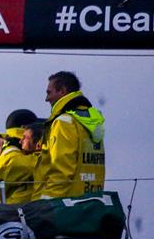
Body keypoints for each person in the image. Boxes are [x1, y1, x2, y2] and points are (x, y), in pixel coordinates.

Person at [32, 71, 105, 199]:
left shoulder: (64, 122)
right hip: (91, 200)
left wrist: (47, 202)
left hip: (65, 206)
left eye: (49, 92)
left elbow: (61, 169)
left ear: (62, 91)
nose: (46, 99)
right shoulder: (91, 122)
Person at [0, 109, 38, 204]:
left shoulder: (8, 146)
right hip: (14, 209)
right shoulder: (11, 152)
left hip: (13, 207)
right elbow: (39, 166)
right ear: (24, 128)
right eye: (34, 127)